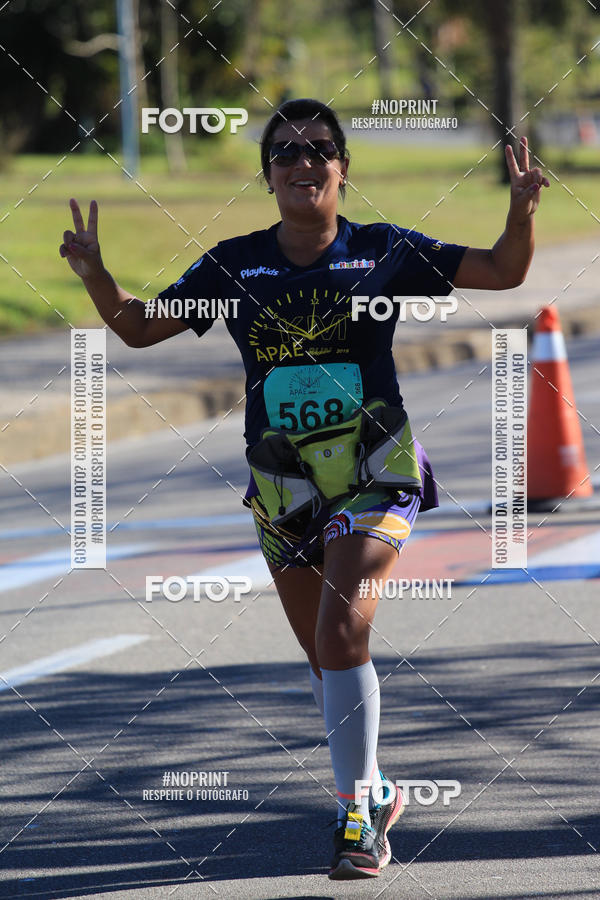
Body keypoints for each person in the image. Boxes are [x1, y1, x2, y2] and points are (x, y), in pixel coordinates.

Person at [60, 97, 548, 880]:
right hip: (282, 483)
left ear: (342, 170)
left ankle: (359, 822)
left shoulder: (384, 249)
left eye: (320, 148)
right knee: (325, 659)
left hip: (373, 466)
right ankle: (379, 790)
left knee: (341, 631)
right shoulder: (232, 263)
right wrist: (95, 272)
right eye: (284, 151)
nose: (303, 161)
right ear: (268, 175)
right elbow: (140, 326)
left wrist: (521, 211)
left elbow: (504, 270)